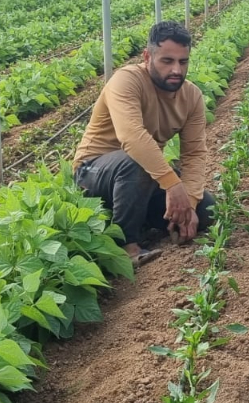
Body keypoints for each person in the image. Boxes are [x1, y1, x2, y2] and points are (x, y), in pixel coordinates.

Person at [72, 20, 214, 264]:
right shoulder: (126, 80)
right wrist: (171, 184)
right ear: (147, 56)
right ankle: (126, 247)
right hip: (92, 172)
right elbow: (132, 137)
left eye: (183, 61)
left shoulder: (191, 96)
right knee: (137, 162)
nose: (176, 70)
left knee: (206, 210)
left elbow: (194, 153)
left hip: (140, 180)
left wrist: (187, 204)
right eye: (167, 61)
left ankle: (149, 219)